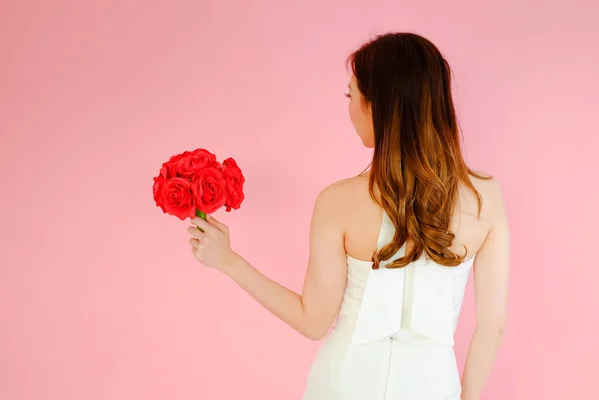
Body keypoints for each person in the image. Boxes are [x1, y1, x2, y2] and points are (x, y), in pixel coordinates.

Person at [187, 31, 509, 400]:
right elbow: (492, 327)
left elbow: (313, 321)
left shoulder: (337, 201)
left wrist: (228, 261)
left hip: (343, 383)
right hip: (434, 386)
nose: (350, 106)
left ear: (377, 105)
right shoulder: (486, 197)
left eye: (351, 94)